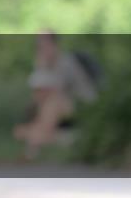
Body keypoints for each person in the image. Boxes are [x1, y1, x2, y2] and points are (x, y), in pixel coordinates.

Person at [13, 30, 98, 160]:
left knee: (53, 101)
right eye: (39, 45)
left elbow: (56, 90)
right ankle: (48, 137)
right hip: (56, 111)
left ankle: (37, 140)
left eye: (44, 44)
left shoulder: (66, 63)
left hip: (78, 107)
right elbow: (38, 92)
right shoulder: (42, 63)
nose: (42, 48)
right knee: (24, 126)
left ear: (54, 44)